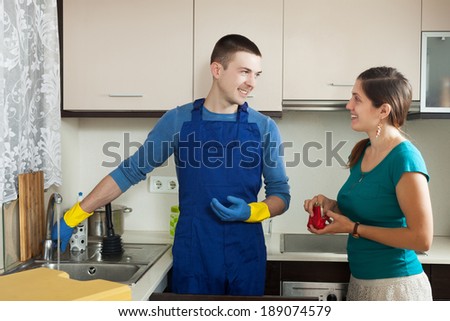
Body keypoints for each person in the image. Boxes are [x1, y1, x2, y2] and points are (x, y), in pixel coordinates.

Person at [52, 34, 291, 296]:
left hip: (245, 255)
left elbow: (281, 195)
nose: (251, 83)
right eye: (245, 72)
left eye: (257, 74)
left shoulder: (264, 128)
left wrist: (251, 212)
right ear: (217, 69)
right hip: (194, 254)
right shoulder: (178, 121)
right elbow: (130, 171)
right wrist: (73, 216)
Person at [303, 66, 433, 301]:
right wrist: (330, 206)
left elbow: (422, 238)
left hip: (396, 288)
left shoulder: (405, 158)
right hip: (361, 282)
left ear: (383, 110)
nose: (348, 106)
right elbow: (368, 210)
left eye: (357, 99)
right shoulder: (363, 151)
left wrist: (353, 229)